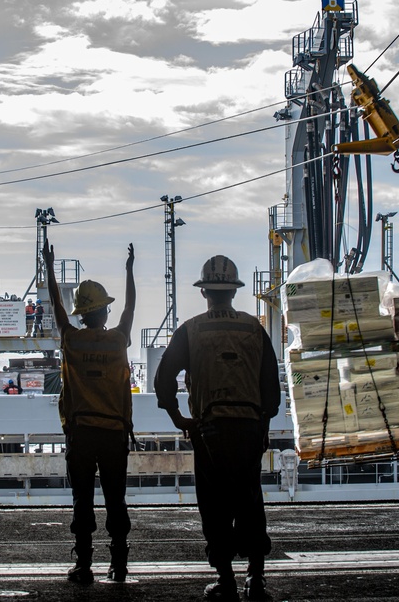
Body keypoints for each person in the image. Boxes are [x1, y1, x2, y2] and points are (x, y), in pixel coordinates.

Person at [154, 255, 281, 602]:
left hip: (209, 431)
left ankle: (226, 580)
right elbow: (271, 388)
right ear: (234, 292)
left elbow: (164, 379)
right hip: (250, 428)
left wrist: (179, 419)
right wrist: (263, 424)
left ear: (205, 291)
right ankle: (256, 579)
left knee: (215, 505)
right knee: (250, 501)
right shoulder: (254, 328)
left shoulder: (191, 330)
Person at [43, 235, 135, 584]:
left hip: (81, 434)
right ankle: (120, 565)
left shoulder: (72, 340)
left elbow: (57, 307)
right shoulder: (117, 340)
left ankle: (83, 566)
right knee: (116, 499)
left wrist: (50, 268)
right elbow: (130, 309)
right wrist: (129, 271)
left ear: (82, 314)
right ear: (105, 312)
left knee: (82, 500)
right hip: (113, 433)